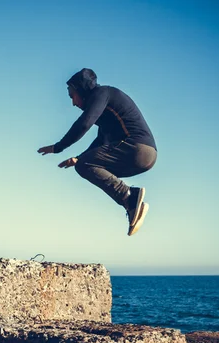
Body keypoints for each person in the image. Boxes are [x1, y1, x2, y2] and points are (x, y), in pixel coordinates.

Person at [38, 68, 157, 236]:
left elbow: (84, 124)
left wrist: (58, 147)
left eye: (72, 96)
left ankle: (130, 196)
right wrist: (77, 158)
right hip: (145, 156)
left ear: (81, 90)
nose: (73, 103)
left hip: (137, 149)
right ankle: (131, 203)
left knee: (84, 165)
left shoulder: (102, 93)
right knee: (84, 164)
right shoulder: (105, 112)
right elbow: (100, 142)